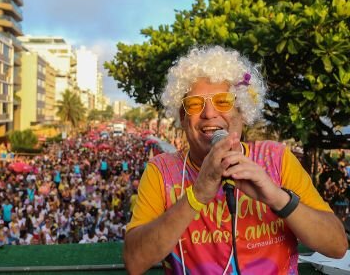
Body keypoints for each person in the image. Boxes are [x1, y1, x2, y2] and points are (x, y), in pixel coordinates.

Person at [124, 46, 348, 274]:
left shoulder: (277, 159)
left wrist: (278, 198)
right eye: (194, 105)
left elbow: (337, 246)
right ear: (183, 118)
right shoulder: (162, 171)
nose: (209, 114)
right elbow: (134, 262)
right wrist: (197, 194)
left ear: (242, 112)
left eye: (223, 102)